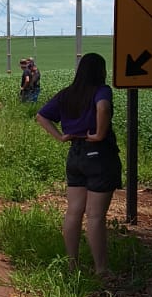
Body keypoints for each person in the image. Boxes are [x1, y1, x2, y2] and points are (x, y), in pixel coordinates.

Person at [35, 52, 122, 276]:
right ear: (101, 71)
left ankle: (72, 265)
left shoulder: (68, 93)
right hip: (99, 155)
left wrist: (60, 136)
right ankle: (101, 269)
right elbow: (102, 107)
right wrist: (100, 133)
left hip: (75, 154)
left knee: (73, 212)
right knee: (95, 215)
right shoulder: (101, 90)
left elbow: (41, 116)